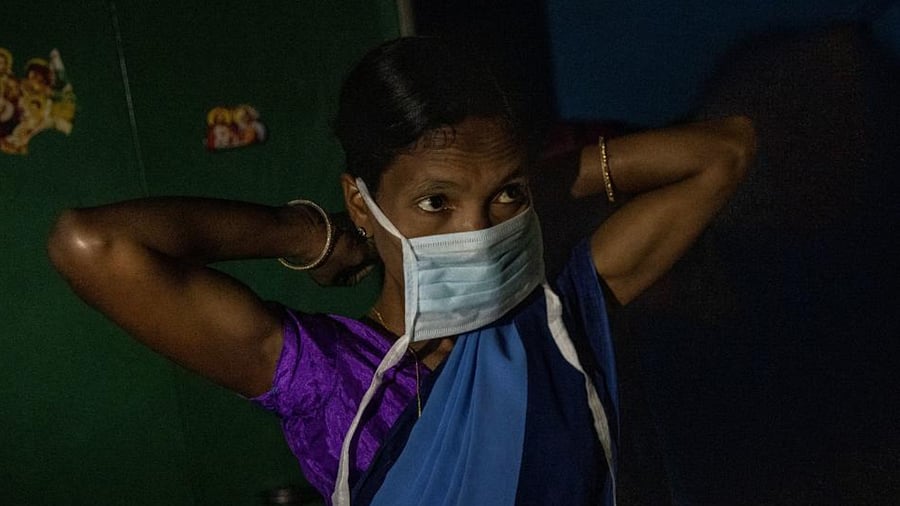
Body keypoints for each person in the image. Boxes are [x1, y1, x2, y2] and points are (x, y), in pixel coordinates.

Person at [47, 37, 755, 505]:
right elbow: (92, 244)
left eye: (502, 197)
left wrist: (531, 179)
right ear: (363, 201)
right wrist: (311, 234)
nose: (476, 233)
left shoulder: (555, 322)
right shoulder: (326, 379)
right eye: (436, 202)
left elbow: (726, 149)